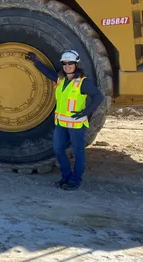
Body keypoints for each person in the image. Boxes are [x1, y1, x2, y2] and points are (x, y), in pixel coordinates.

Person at [26, 50, 103, 190]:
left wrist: (85, 112)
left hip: (76, 124)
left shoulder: (82, 83)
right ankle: (66, 176)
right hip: (61, 123)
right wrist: (35, 61)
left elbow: (98, 97)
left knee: (78, 151)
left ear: (76, 64)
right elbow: (48, 73)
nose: (67, 66)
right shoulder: (60, 80)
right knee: (58, 149)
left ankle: (75, 180)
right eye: (64, 63)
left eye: (70, 63)